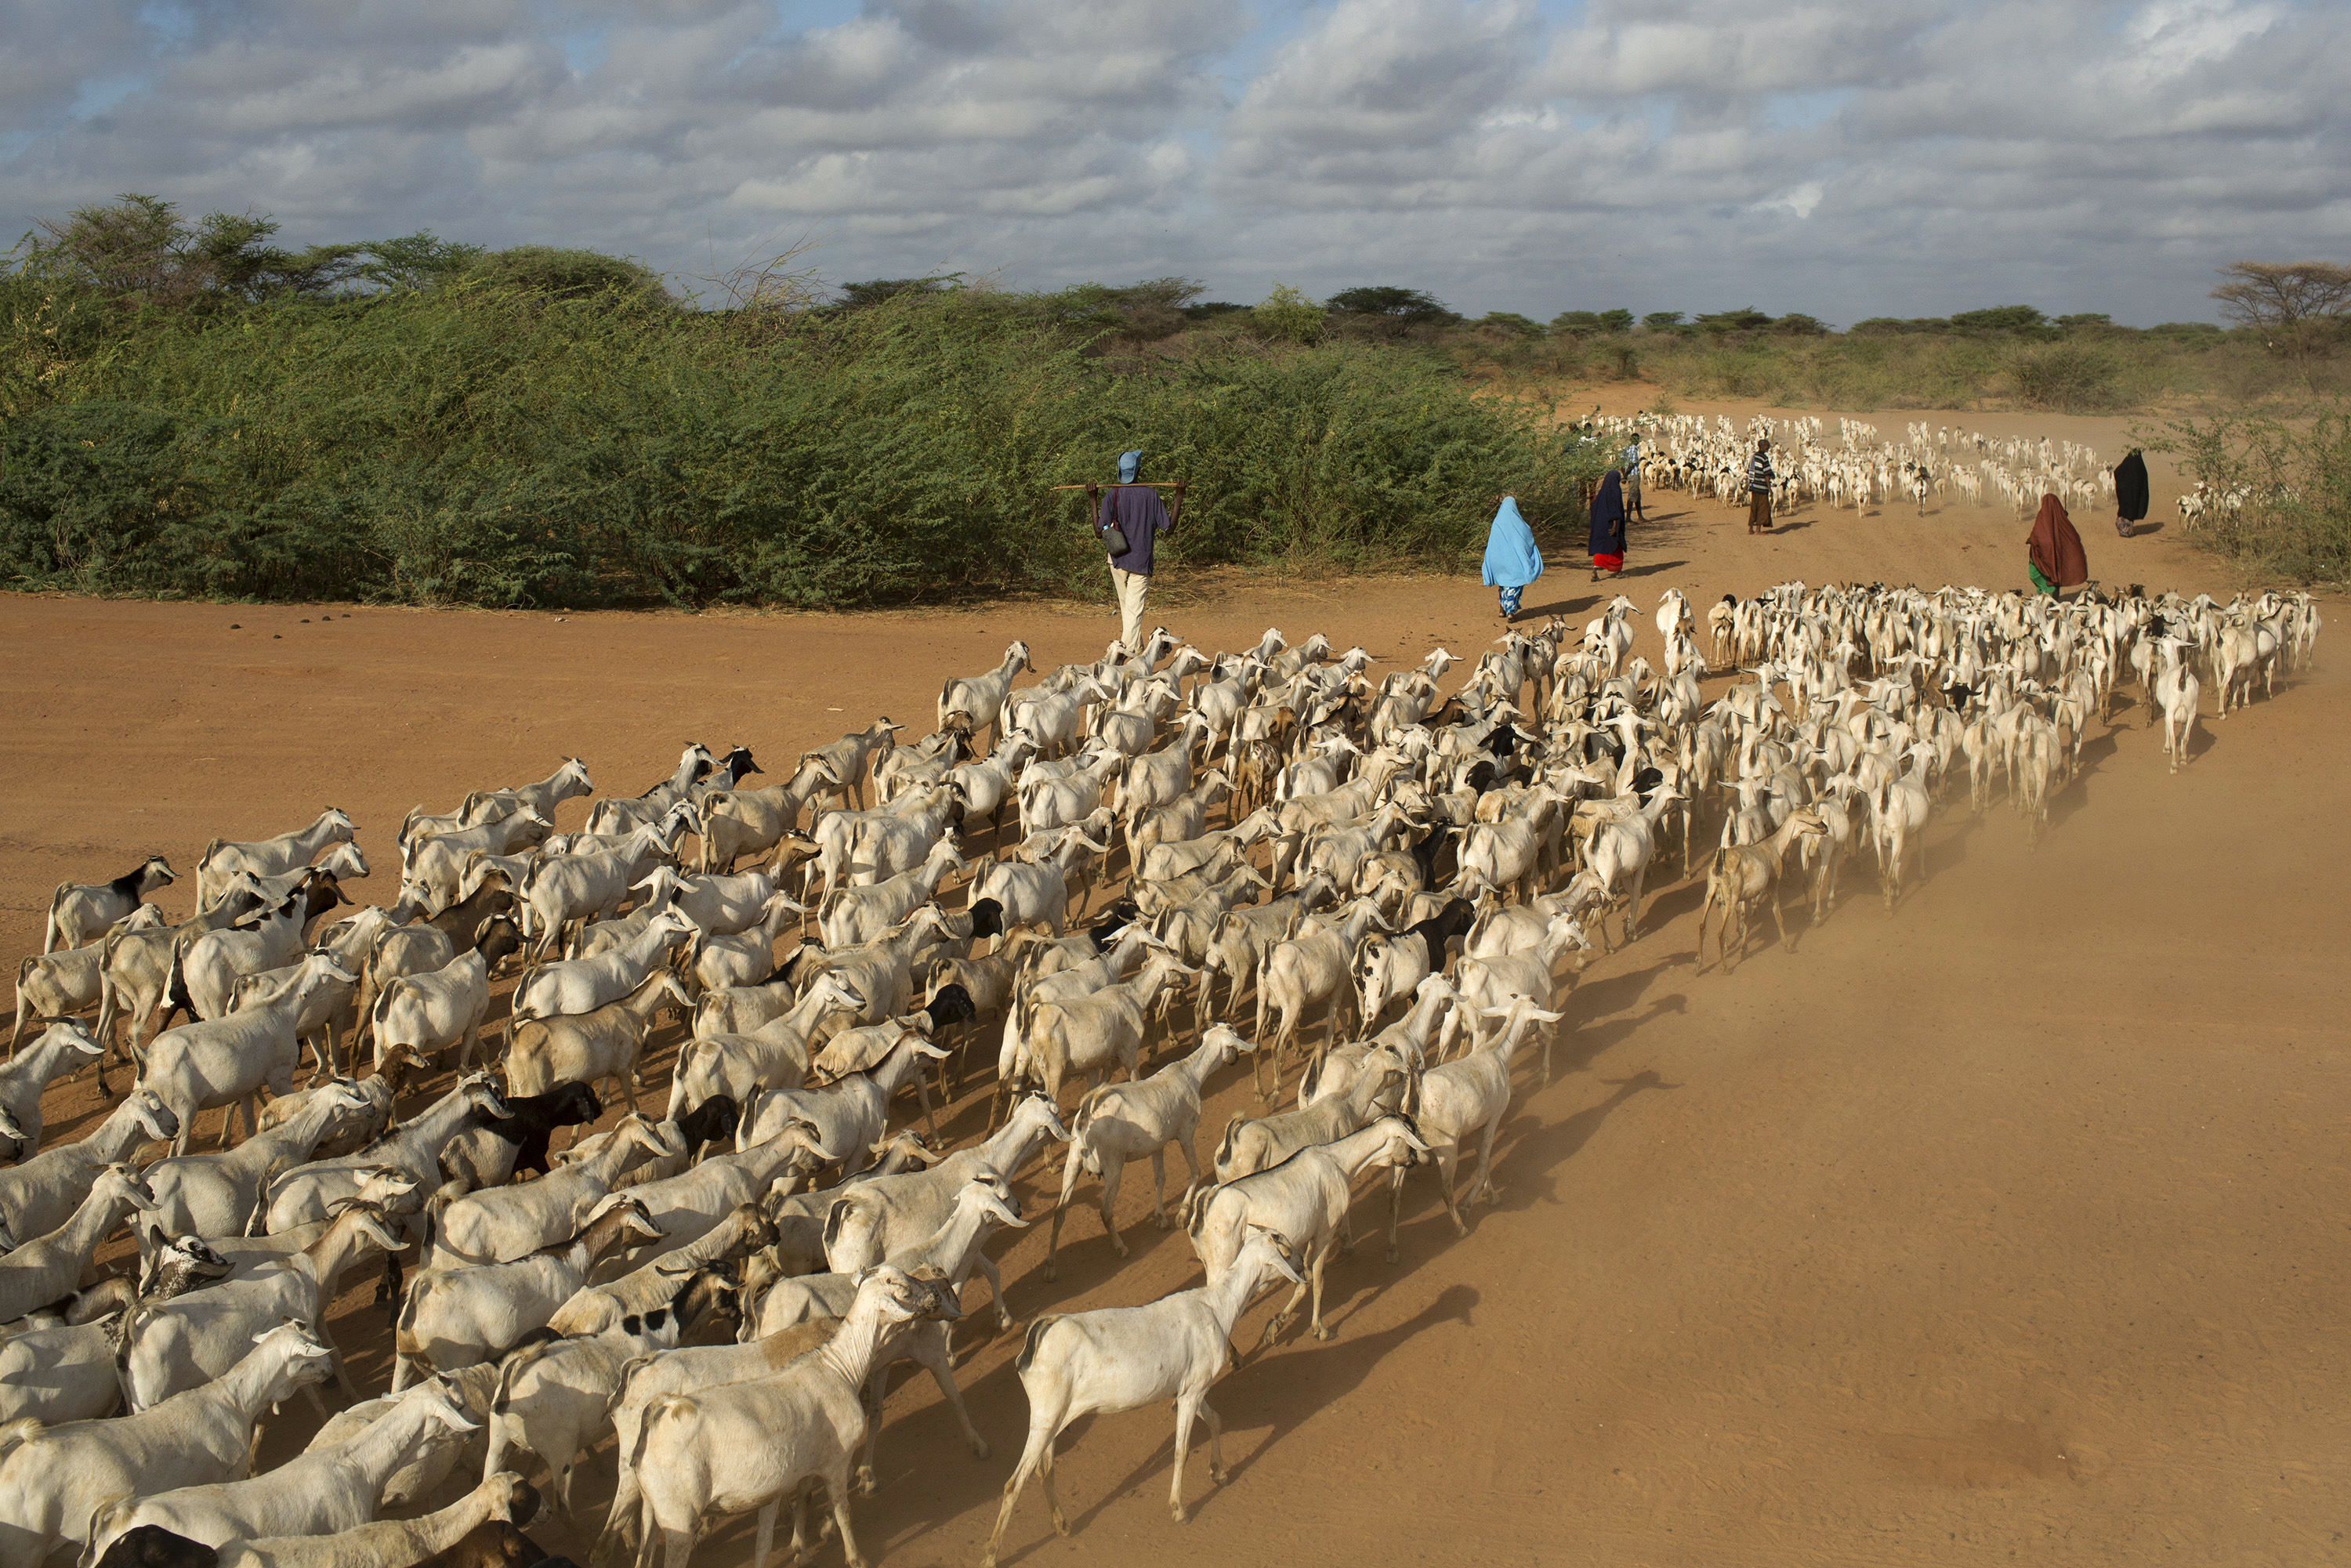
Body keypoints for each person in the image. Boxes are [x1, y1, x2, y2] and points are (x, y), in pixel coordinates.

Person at [1088, 450, 1181, 653]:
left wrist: (1093, 499)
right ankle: (1120, 655)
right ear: (1138, 471)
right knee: (1133, 613)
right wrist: (1180, 496)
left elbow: (1098, 532)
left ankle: (1137, 651)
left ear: (1120, 471)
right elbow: (1169, 528)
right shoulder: (1151, 495)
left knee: (1128, 612)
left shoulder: (1112, 494)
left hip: (1117, 560)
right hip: (1140, 562)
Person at [1483, 494, 1544, 620]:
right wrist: (1532, 524)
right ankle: (1510, 612)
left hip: (1500, 563)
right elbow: (1525, 536)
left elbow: (1492, 544)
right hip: (1514, 564)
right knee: (1514, 586)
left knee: (1503, 586)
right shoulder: (1518, 523)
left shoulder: (1497, 523)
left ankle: (1502, 610)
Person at [2027, 493, 2088, 596]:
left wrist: (2032, 540)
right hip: (2047, 556)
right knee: (2040, 573)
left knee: (2044, 574)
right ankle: (2046, 593)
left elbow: (2039, 537)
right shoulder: (2057, 519)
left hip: (2045, 555)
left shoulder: (2050, 518)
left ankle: (2048, 595)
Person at [1588, 468, 1627, 581]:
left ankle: (1595, 572)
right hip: (1612, 526)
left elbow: (1594, 508)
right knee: (1616, 547)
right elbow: (1615, 510)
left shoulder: (1602, 492)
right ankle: (1619, 571)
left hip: (1600, 526)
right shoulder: (1615, 490)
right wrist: (1615, 526)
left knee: (1600, 547)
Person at [2114, 447, 2150, 538]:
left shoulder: (2127, 463)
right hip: (2135, 495)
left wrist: (2122, 484)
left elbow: (2117, 472)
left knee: (2124, 510)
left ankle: (2123, 530)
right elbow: (2144, 483)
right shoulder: (2140, 466)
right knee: (2131, 511)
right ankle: (2128, 531)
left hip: (2125, 493)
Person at [1746, 439, 1775, 534]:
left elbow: (1749, 470)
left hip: (1754, 486)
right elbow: (1767, 475)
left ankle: (1750, 528)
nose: (1768, 447)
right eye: (1767, 446)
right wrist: (1769, 489)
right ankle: (1758, 529)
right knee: (1763, 507)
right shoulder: (1764, 458)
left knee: (1754, 506)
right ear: (1762, 446)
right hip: (1762, 487)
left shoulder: (1753, 456)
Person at [1621, 433, 1647, 521]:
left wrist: (1624, 474)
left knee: (1637, 496)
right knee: (1632, 496)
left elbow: (1621, 462)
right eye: (1635, 440)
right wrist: (1625, 476)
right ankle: (1628, 518)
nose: (1636, 441)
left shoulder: (1626, 448)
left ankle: (1640, 517)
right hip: (1633, 475)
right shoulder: (1633, 450)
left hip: (1630, 475)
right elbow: (1632, 464)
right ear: (1633, 440)